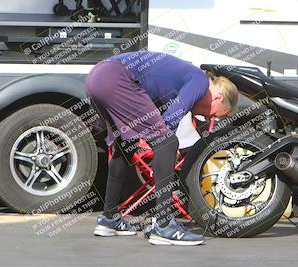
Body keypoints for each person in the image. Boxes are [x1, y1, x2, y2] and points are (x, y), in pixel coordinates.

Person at [85, 51, 238, 246]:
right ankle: (165, 226)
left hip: (97, 76)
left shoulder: (181, 81)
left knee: (125, 145)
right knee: (167, 142)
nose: (209, 119)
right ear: (217, 98)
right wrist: (165, 146)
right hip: (117, 77)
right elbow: (171, 119)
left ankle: (109, 219)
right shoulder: (200, 80)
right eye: (215, 115)